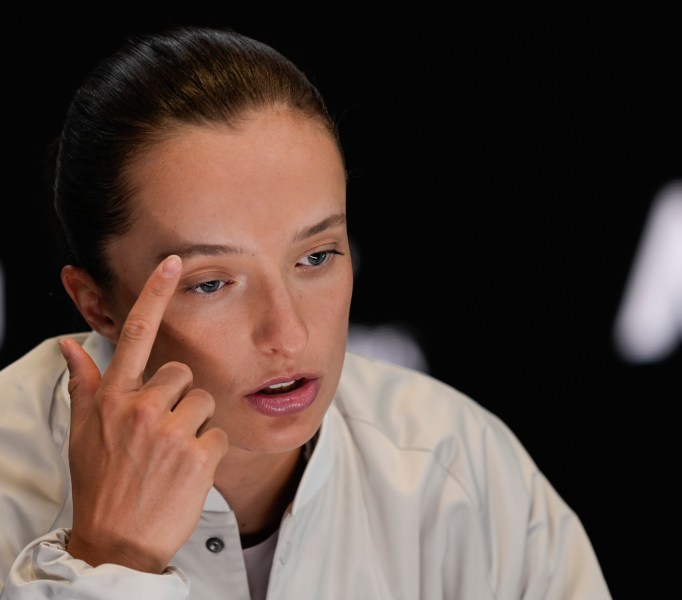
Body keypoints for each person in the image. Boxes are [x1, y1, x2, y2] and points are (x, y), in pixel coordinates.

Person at [0, 25, 612, 599]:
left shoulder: (456, 467)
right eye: (211, 283)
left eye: (316, 256)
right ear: (99, 305)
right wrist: (110, 563)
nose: (287, 335)